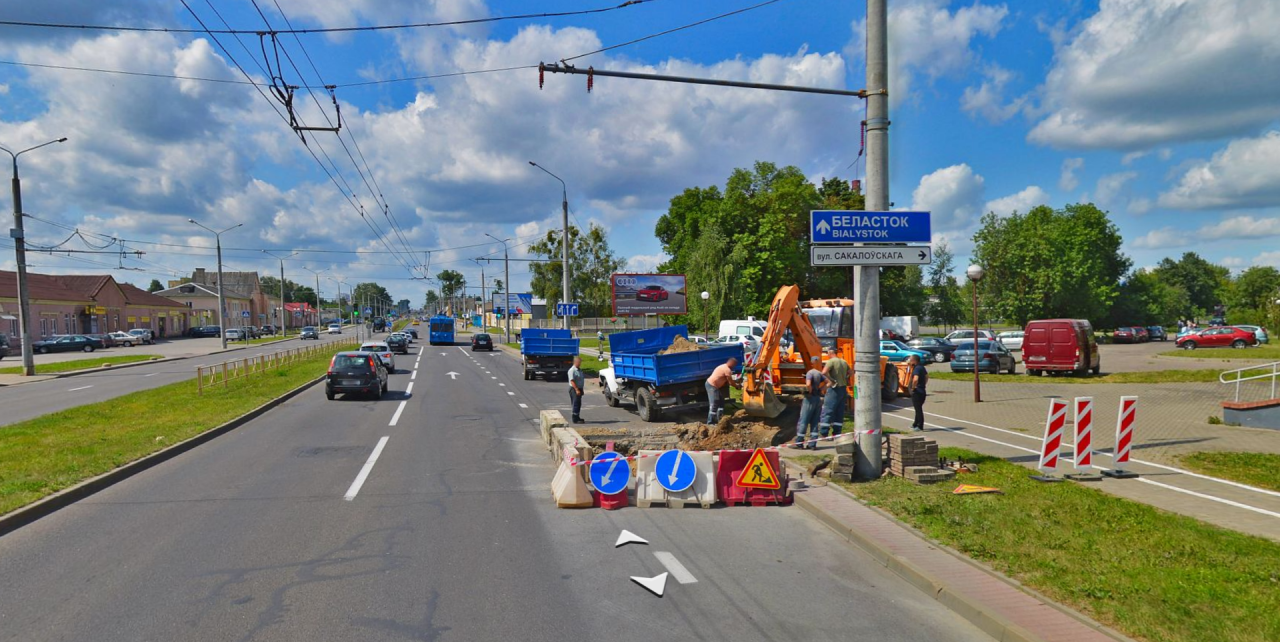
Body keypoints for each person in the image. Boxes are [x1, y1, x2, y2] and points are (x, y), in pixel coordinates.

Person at [819, 348, 850, 437]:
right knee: (839, 411)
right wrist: (845, 378)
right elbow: (851, 372)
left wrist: (831, 380)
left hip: (834, 389)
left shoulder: (831, 361)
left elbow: (824, 372)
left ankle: (824, 433)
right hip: (843, 389)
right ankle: (837, 433)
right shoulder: (844, 362)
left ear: (830, 353)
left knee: (828, 410)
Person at [795, 359, 825, 449]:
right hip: (817, 399)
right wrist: (821, 389)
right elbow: (829, 382)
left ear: (811, 363)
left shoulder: (810, 373)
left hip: (809, 399)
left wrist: (810, 391)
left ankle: (799, 443)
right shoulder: (820, 373)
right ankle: (812, 444)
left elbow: (808, 384)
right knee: (815, 422)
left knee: (803, 420)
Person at [706, 357, 741, 424]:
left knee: (721, 401)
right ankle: (710, 422)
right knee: (715, 402)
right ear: (732, 364)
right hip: (712, 385)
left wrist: (736, 381)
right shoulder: (727, 370)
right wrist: (737, 386)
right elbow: (730, 382)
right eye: (734, 365)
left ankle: (720, 419)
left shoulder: (723, 366)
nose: (734, 367)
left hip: (716, 386)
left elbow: (727, 380)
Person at [907, 354, 928, 431]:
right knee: (917, 408)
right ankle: (915, 424)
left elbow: (915, 379)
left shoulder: (917, 369)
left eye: (910, 360)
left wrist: (913, 387)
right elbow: (926, 377)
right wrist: (923, 384)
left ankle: (920, 426)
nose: (909, 361)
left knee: (918, 409)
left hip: (917, 392)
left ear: (914, 361)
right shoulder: (922, 367)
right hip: (922, 391)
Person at [568, 355, 586, 424]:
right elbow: (572, 381)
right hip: (574, 389)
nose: (580, 364)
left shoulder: (579, 369)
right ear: (575, 362)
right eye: (579, 362)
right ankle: (575, 418)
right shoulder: (572, 370)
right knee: (575, 403)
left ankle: (577, 416)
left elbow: (580, 380)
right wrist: (577, 389)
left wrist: (581, 389)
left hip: (579, 388)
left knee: (579, 403)